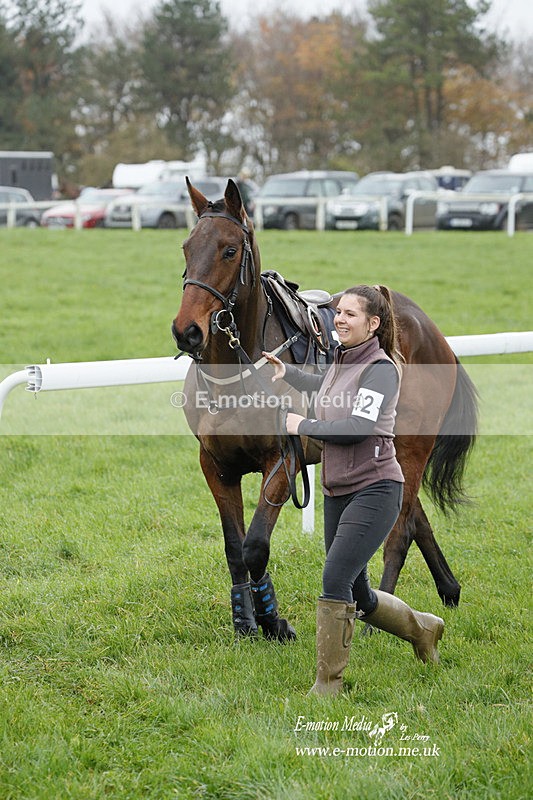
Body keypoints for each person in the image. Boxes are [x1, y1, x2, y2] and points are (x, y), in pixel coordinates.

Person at [263, 285, 444, 696]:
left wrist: (301, 426)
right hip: (339, 490)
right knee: (357, 592)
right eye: (338, 312)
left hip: (376, 488)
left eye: (350, 314)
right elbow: (324, 385)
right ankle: (422, 629)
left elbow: (357, 427)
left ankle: (329, 684)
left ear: (373, 324)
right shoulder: (341, 361)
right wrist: (286, 372)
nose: (339, 319)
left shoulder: (380, 369)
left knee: (335, 578)